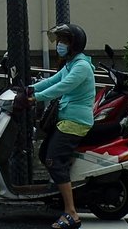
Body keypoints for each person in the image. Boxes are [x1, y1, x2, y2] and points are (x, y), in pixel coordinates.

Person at [21, 24, 95, 229]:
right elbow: (52, 80)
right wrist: (27, 89)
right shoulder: (72, 64)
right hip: (66, 119)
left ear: (75, 44)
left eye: (64, 41)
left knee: (53, 160)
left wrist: (35, 98)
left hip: (75, 121)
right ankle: (61, 191)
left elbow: (62, 87)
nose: (60, 45)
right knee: (45, 154)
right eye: (60, 40)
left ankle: (71, 213)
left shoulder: (81, 67)